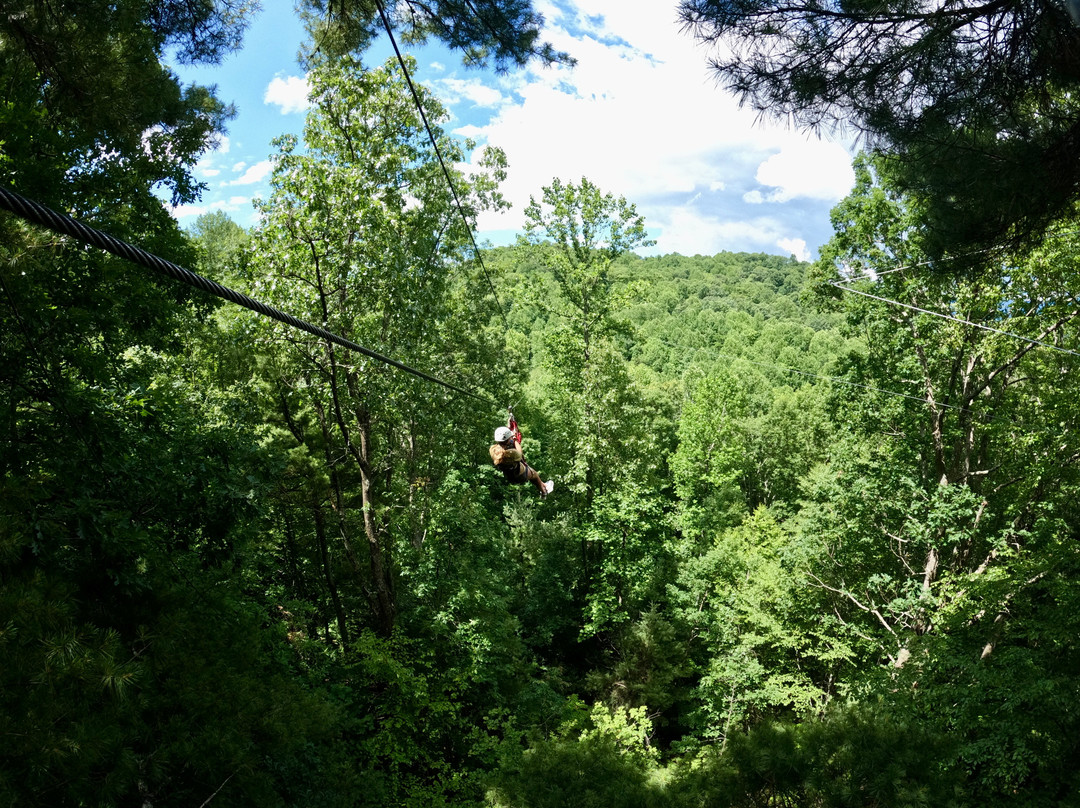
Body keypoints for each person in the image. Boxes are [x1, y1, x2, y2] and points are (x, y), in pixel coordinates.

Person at [489, 418, 554, 498]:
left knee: (533, 475)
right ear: (508, 439)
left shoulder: (494, 450)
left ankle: (544, 486)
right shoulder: (510, 454)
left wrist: (509, 427)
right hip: (520, 475)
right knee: (535, 475)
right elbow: (519, 453)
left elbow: (504, 440)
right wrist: (515, 438)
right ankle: (544, 492)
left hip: (509, 476)